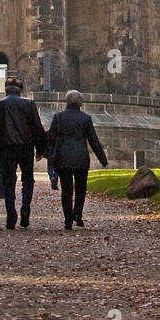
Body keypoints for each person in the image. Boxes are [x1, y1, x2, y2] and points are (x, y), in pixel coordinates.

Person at [0, 77, 46, 230]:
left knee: (9, 181)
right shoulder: (29, 104)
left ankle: (11, 216)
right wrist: (40, 149)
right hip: (26, 147)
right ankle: (25, 210)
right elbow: (37, 128)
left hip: (6, 148)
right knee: (28, 180)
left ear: (6, 89)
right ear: (20, 89)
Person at [46, 90, 109, 230]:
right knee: (81, 189)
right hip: (80, 158)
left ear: (66, 102)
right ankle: (78, 215)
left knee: (66, 190)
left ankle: (68, 219)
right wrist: (102, 159)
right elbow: (93, 140)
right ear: (80, 102)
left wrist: (48, 156)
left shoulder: (58, 117)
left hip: (63, 158)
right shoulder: (85, 118)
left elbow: (50, 138)